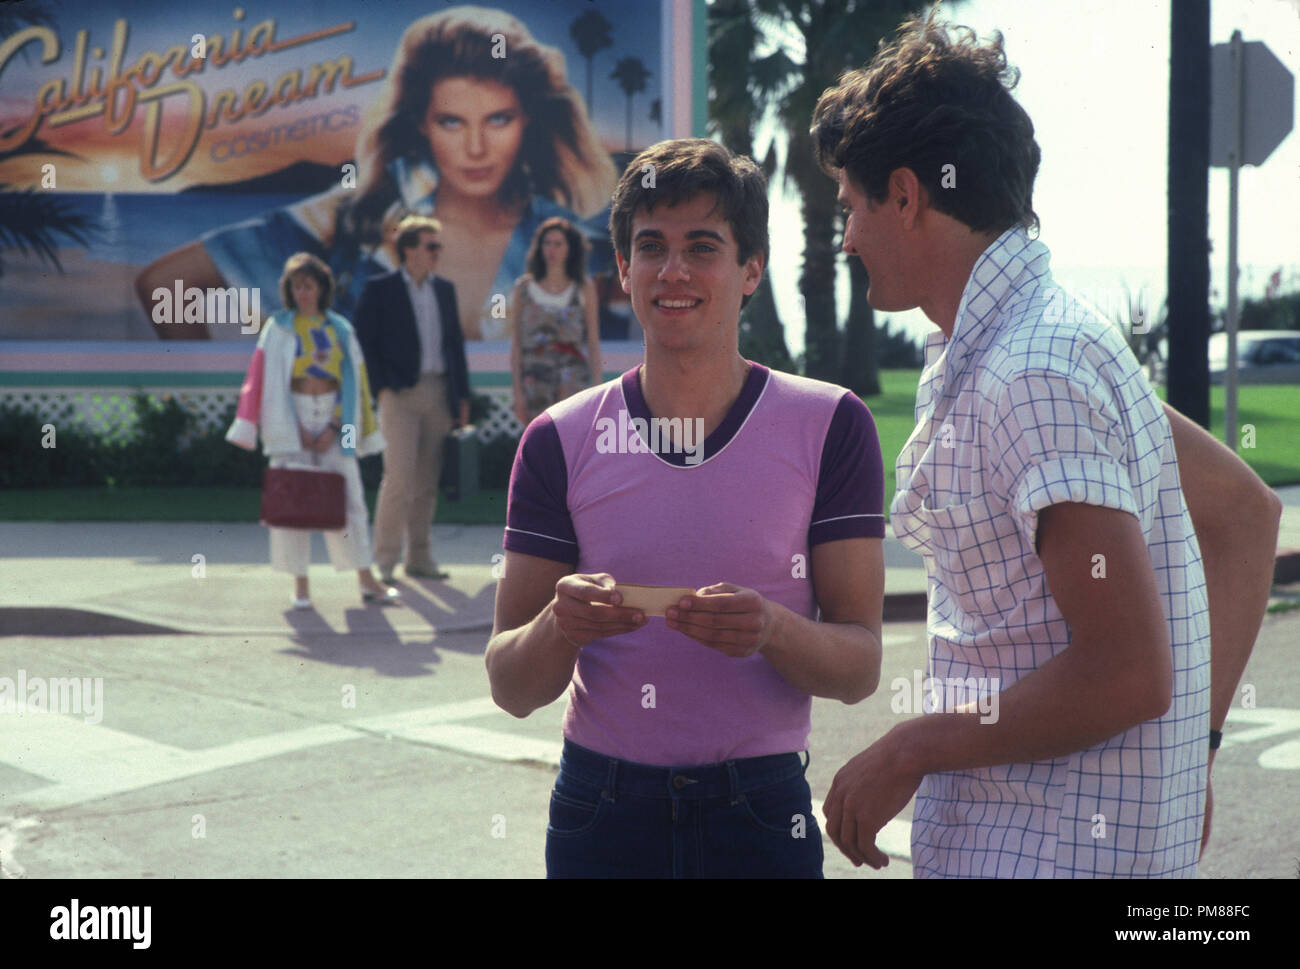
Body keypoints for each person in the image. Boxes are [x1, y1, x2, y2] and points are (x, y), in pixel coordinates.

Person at [811, 11, 1279, 877]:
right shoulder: (1053, 339)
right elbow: (1247, 511)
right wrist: (1195, 749)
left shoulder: (1032, 369)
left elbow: (1127, 671)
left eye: (850, 206)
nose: (846, 239)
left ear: (906, 196)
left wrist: (911, 746)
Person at [485, 139, 887, 878]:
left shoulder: (830, 423)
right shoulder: (558, 438)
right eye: (651, 248)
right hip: (602, 809)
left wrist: (772, 629)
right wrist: (558, 624)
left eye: (703, 247)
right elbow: (510, 686)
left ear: (752, 270)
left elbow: (860, 667)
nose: (673, 271)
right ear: (623, 269)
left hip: (760, 809)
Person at [136, 6, 618, 339]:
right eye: (451, 122)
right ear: (422, 124)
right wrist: (215, 406)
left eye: (498, 119)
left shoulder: (567, 240)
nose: (476, 148)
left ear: (527, 120)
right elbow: (166, 283)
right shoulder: (354, 217)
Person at [226, 252, 398, 608]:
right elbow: (259, 379)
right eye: (296, 286)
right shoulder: (277, 328)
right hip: (291, 418)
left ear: (322, 288)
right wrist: (288, 428)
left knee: (351, 497)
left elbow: (356, 380)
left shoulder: (340, 328)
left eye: (309, 285)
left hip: (339, 419)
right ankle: (300, 585)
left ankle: (366, 580)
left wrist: (337, 424)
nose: (302, 293)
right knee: (291, 501)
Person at [353, 215, 471, 584]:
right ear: (408, 250)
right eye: (430, 246)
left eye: (438, 246)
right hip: (400, 395)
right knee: (398, 480)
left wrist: (461, 398)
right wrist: (382, 387)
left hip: (439, 392)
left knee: (427, 483)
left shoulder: (445, 290)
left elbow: (455, 346)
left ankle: (419, 558)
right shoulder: (381, 289)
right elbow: (363, 343)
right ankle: (384, 563)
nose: (437, 252)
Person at [508, 217, 603, 426]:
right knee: (539, 437)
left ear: (570, 248)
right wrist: (518, 392)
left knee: (570, 436)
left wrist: (597, 386)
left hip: (572, 380)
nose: (552, 250)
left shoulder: (583, 287)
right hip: (535, 381)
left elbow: (593, 341)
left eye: (558, 244)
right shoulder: (524, 288)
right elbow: (516, 344)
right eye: (547, 243)